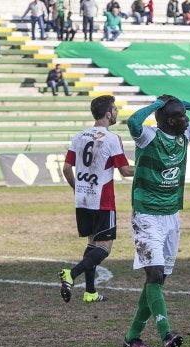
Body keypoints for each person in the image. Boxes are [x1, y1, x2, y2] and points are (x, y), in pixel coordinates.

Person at [121, 95, 190, 347]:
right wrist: (157, 105)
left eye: (187, 115)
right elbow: (133, 122)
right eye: (182, 116)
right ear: (168, 120)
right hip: (146, 217)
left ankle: (132, 338)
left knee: (158, 279)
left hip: (171, 216)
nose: (188, 120)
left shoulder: (184, 135)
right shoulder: (149, 137)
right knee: (153, 276)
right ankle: (166, 334)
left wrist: (183, 102)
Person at [59, 95, 135, 303]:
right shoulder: (111, 139)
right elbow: (126, 171)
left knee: (92, 242)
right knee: (104, 248)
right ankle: (71, 274)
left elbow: (66, 169)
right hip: (102, 200)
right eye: (115, 109)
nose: (117, 112)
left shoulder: (79, 136)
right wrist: (149, 169)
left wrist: (78, 188)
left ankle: (90, 292)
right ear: (108, 114)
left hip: (82, 199)